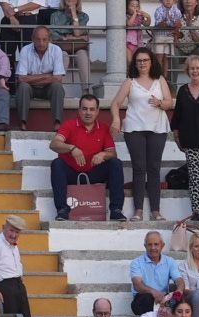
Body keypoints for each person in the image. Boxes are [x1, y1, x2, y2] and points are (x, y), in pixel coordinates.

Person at [111, 46, 172, 221]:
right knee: (139, 168)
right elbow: (116, 103)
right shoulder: (129, 81)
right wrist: (116, 119)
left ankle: (155, 211)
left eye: (145, 60)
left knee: (154, 168)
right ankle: (138, 210)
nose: (142, 63)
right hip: (134, 127)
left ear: (151, 61)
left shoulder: (160, 80)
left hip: (157, 128)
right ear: (135, 64)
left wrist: (160, 103)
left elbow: (169, 102)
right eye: (139, 61)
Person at [50, 93, 126, 222]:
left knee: (115, 163)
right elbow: (54, 144)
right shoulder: (69, 125)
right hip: (72, 173)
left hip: (94, 172)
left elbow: (113, 153)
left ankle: (116, 210)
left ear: (97, 111)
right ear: (79, 110)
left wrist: (103, 154)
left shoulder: (103, 128)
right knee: (57, 163)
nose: (88, 113)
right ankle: (62, 210)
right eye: (84, 109)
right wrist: (72, 148)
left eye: (92, 109)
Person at [15, 25, 68, 127]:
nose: (41, 43)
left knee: (57, 87)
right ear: (32, 39)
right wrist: (47, 76)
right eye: (38, 39)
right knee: (23, 87)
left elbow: (58, 78)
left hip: (48, 88)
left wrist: (31, 77)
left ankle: (57, 123)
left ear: (49, 39)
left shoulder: (56, 50)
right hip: (30, 88)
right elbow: (21, 78)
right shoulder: (25, 50)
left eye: (44, 39)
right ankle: (22, 123)